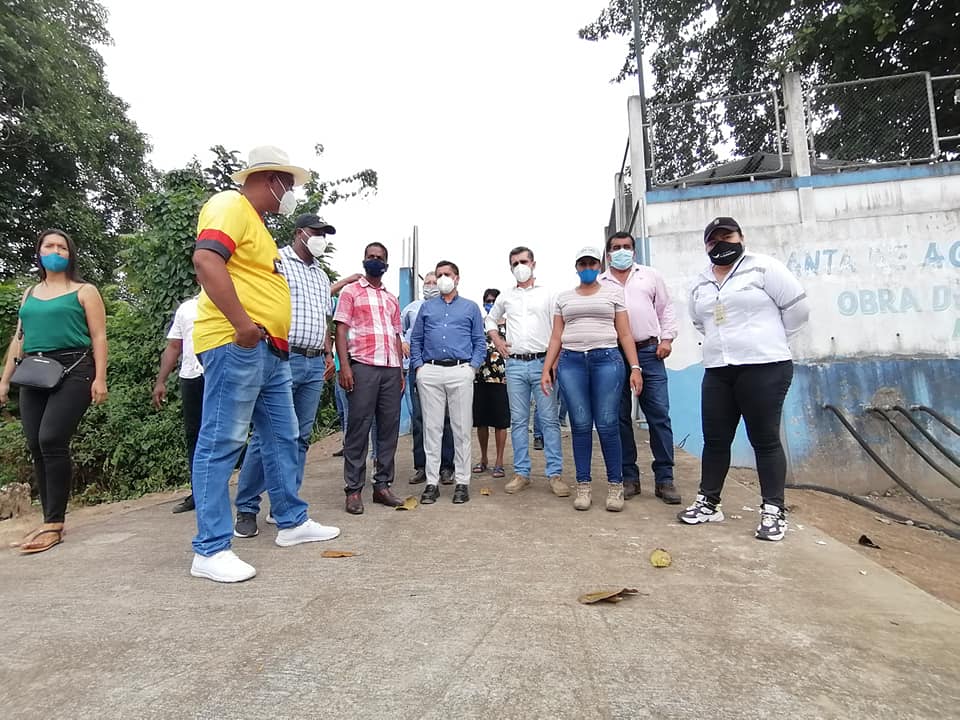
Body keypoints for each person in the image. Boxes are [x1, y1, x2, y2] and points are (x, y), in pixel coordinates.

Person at [189, 145, 340, 583]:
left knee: (284, 436)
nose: (291, 193)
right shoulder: (229, 204)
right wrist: (242, 325)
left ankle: (291, 521)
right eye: (288, 184)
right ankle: (210, 548)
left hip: (272, 350)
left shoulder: (257, 225)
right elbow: (206, 259)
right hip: (235, 342)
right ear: (270, 179)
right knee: (222, 441)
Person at [679, 217, 809, 541]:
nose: (721, 243)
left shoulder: (763, 268)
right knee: (715, 439)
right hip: (718, 370)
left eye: (728, 236)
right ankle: (709, 502)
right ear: (706, 246)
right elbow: (700, 322)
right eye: (713, 240)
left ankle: (773, 510)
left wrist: (769, 340)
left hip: (764, 366)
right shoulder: (700, 282)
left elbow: (797, 309)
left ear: (741, 237)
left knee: (764, 440)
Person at [0, 229, 108, 554]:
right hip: (33, 370)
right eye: (49, 246)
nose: (56, 251)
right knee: (36, 444)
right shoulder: (30, 293)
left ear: (70, 254)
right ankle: (48, 519)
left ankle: (55, 524)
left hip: (74, 369)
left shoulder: (84, 291)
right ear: (39, 252)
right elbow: (19, 338)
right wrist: (5, 380)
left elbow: (99, 336)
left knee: (51, 439)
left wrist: (100, 378)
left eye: (62, 247)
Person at [232, 213, 338, 536]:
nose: (320, 239)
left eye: (324, 234)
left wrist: (328, 352)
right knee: (267, 436)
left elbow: (323, 319)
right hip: (282, 357)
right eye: (315, 232)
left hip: (313, 361)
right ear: (299, 233)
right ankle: (247, 507)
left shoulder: (321, 276)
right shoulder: (277, 261)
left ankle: (284, 507)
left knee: (300, 438)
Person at [540, 247, 643, 512]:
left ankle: (615, 485)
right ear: (576, 267)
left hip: (606, 360)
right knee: (580, 424)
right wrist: (547, 368)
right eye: (582, 264)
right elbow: (556, 336)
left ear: (599, 266)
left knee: (608, 424)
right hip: (572, 362)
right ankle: (583, 485)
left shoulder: (613, 294)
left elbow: (625, 333)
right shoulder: (564, 298)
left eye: (591, 263)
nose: (587, 268)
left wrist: (635, 367)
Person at [600, 231, 682, 505]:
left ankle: (665, 479)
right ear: (608, 253)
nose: (621, 251)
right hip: (614, 356)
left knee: (658, 415)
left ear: (634, 251)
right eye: (616, 247)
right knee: (619, 417)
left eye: (626, 247)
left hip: (649, 352)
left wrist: (667, 339)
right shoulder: (600, 283)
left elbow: (666, 309)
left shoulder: (650, 276)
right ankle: (629, 477)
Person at [486, 246, 566, 497]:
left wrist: (554, 362)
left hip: (543, 362)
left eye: (523, 261)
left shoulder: (549, 293)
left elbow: (559, 328)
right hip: (515, 365)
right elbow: (490, 319)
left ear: (533, 264)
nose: (519, 266)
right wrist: (498, 341)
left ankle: (555, 475)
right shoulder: (506, 296)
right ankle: (522, 473)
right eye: (515, 263)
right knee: (518, 421)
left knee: (549, 420)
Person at [334, 242, 405, 514]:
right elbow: (341, 331)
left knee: (388, 429)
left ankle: (382, 486)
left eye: (380, 257)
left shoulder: (391, 298)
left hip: (390, 368)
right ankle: (353, 490)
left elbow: (396, 335)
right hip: (363, 366)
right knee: (358, 428)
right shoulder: (351, 292)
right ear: (364, 260)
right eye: (370, 256)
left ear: (386, 264)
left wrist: (400, 371)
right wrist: (344, 366)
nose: (375, 260)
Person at [409, 260, 486, 504]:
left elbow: (479, 341)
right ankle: (431, 483)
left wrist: (472, 368)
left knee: (461, 429)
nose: (443, 278)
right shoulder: (427, 308)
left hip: (460, 370)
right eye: (439, 274)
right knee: (432, 429)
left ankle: (462, 482)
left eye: (447, 274)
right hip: (430, 371)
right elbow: (416, 339)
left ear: (457, 278)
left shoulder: (470, 307)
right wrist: (419, 367)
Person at [400, 273, 455, 484]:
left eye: (434, 282)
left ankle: (446, 467)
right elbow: (399, 330)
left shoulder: (449, 309)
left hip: (443, 367)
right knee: (420, 418)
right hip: (418, 368)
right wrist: (403, 343)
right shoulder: (412, 308)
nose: (431, 286)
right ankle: (422, 466)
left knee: (446, 419)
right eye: (427, 283)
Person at [152, 295, 203, 514]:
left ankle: (238, 491)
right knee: (194, 435)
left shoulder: (229, 301)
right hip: (191, 376)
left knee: (226, 435)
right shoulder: (187, 308)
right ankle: (198, 493)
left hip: (220, 375)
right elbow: (174, 346)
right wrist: (161, 381)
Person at [472, 289, 509, 478]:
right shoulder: (479, 324)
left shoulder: (509, 325)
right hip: (480, 378)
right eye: (487, 301)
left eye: (494, 301)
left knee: (500, 422)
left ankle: (499, 461)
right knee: (481, 421)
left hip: (501, 380)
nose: (490, 303)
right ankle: (484, 458)